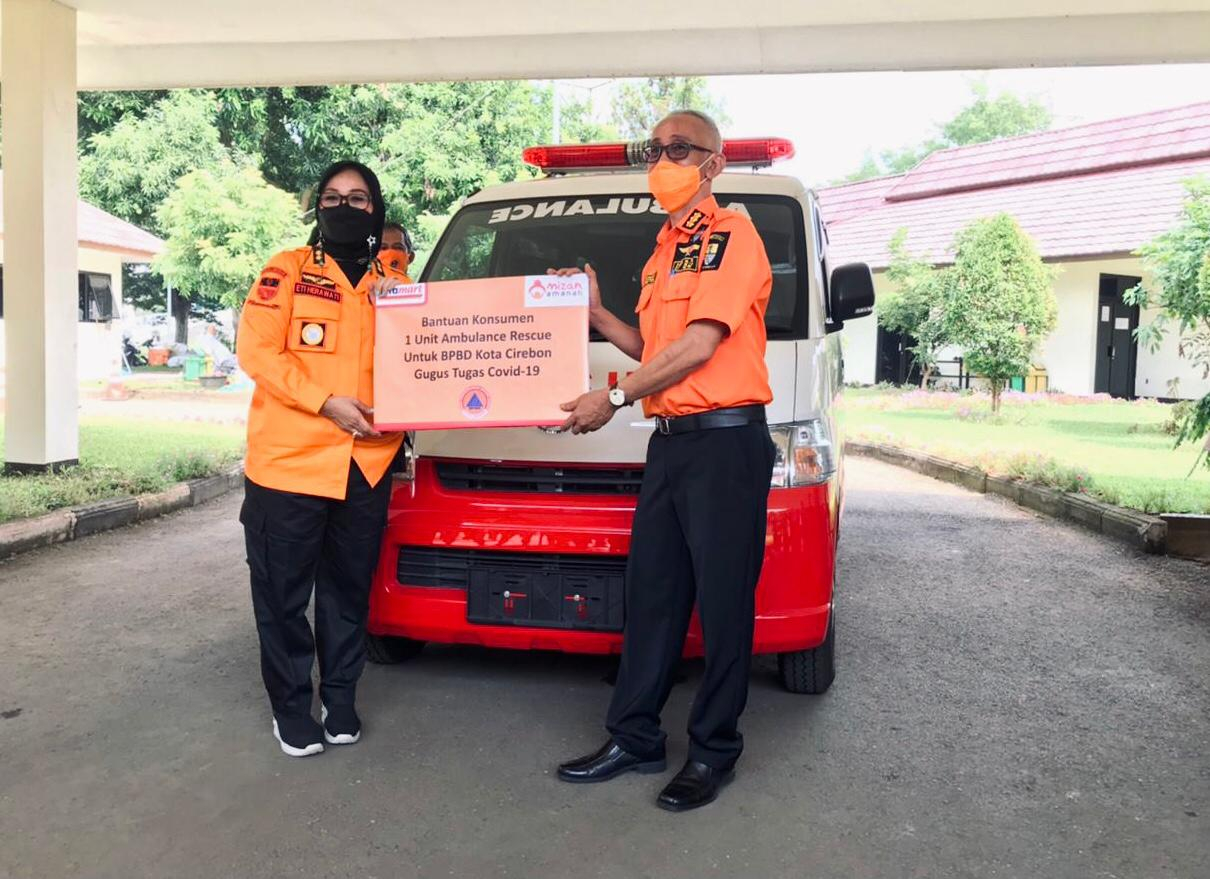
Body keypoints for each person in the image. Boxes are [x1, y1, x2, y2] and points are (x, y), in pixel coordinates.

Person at [551, 110, 776, 811]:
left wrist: (614, 397)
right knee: (652, 594)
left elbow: (699, 345)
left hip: (725, 444)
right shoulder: (662, 251)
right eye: (655, 149)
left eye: (679, 148)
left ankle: (713, 751)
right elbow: (655, 349)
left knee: (723, 603)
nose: (663, 160)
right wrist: (596, 314)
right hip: (673, 443)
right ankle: (635, 737)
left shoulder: (732, 235)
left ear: (714, 163)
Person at [236, 160, 411, 757]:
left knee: (347, 591)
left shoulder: (397, 282)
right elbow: (257, 351)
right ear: (317, 208)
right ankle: (291, 709)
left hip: (366, 463)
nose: (344, 206)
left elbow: (435, 355)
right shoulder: (286, 270)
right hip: (289, 463)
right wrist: (324, 402)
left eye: (358, 198)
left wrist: (405, 308)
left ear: (375, 210)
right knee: (282, 596)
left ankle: (339, 699)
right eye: (332, 197)